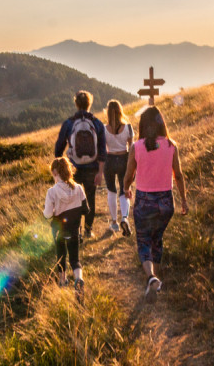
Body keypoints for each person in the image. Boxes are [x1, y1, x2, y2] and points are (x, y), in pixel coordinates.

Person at [124, 105, 188, 303]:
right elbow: (179, 175)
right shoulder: (171, 146)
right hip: (166, 202)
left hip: (144, 201)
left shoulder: (137, 147)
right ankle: (155, 282)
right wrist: (184, 200)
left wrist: (126, 188)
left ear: (143, 125)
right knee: (157, 240)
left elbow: (129, 175)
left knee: (144, 241)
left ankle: (151, 277)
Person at [54, 90, 107, 240]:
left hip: (73, 169)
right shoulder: (97, 123)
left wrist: (61, 167)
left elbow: (58, 149)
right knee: (90, 199)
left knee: (72, 201)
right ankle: (88, 230)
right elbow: (102, 150)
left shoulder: (69, 123)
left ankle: (75, 231)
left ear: (76, 104)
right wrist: (100, 172)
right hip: (92, 168)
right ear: (90, 103)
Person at [43, 157, 89, 292]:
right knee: (75, 259)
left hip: (59, 231)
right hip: (74, 230)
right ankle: (78, 278)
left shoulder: (52, 192)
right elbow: (86, 210)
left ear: (54, 173)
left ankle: (62, 281)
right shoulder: (78, 188)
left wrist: (51, 211)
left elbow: (47, 215)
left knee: (61, 256)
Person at [104, 99, 134, 236]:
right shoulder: (128, 128)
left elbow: (102, 148)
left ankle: (114, 222)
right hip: (124, 159)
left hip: (109, 160)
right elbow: (132, 148)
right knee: (124, 190)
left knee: (111, 191)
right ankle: (125, 218)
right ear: (120, 111)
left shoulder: (104, 129)